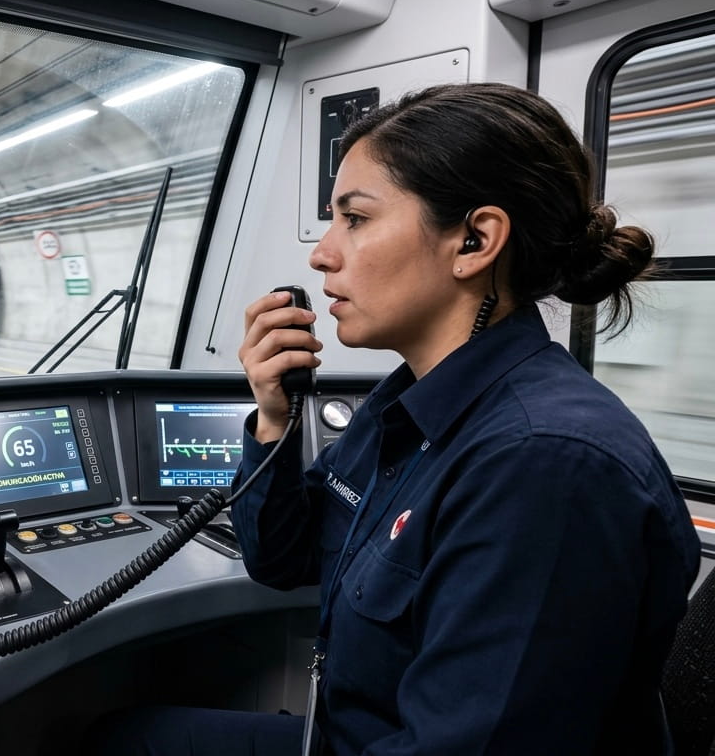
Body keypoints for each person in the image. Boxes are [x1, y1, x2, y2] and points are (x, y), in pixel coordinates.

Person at [93, 82, 701, 755]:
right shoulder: (410, 406)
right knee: (128, 736)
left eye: (354, 218)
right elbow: (283, 560)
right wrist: (273, 418)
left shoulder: (542, 464)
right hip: (350, 734)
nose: (322, 253)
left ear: (473, 241)